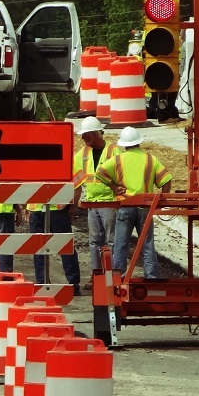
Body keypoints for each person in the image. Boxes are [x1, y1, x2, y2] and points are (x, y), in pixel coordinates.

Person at [96, 126, 172, 279]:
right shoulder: (151, 159)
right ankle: (152, 277)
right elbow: (167, 180)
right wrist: (161, 200)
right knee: (147, 244)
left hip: (125, 206)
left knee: (121, 245)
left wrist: (115, 187)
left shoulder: (118, 159)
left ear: (124, 144)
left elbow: (100, 172)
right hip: (145, 208)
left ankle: (119, 277)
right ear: (139, 142)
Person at [75, 116, 121, 290]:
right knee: (94, 241)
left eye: (85, 136)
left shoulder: (114, 151)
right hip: (92, 203)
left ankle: (113, 276)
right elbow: (75, 174)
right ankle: (97, 276)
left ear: (94, 135)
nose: (82, 140)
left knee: (111, 241)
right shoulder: (83, 154)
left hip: (109, 203)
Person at [26, 201, 81, 295]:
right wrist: (73, 207)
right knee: (65, 247)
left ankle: (42, 283)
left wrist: (25, 208)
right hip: (57, 210)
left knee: (40, 249)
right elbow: (75, 188)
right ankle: (73, 285)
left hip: (39, 210)